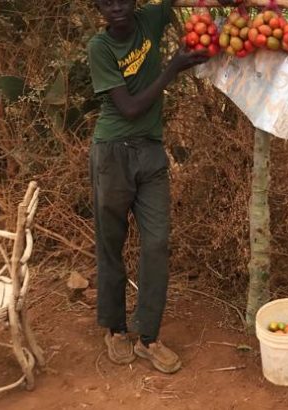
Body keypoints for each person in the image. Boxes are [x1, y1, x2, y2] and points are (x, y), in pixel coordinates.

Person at [86, 0, 231, 374]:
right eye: (106, 2)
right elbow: (130, 108)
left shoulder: (150, 17)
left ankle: (148, 337)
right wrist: (172, 68)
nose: (116, 7)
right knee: (111, 242)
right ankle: (116, 329)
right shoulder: (100, 48)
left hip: (151, 153)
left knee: (156, 243)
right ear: (97, 7)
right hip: (112, 152)